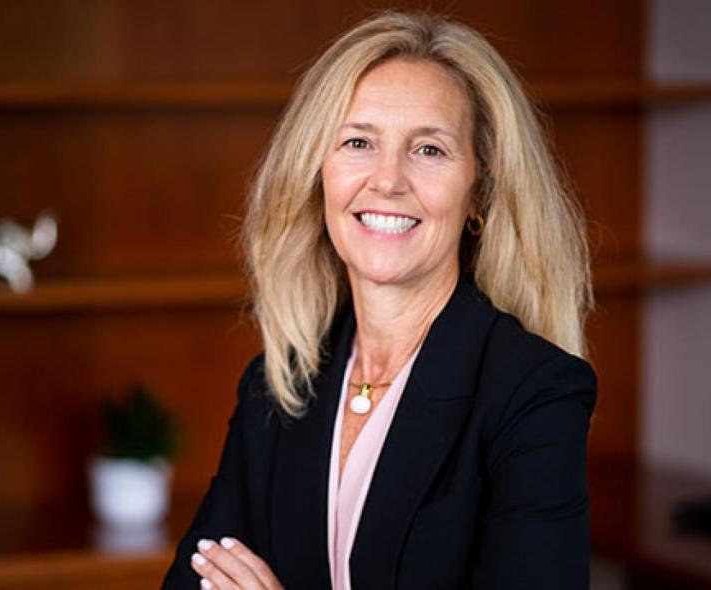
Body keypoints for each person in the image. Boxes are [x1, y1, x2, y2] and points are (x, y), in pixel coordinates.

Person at [162, 10, 596, 590]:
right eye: (359, 142)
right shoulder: (278, 388)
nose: (387, 180)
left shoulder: (533, 394)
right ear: (319, 175)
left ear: (479, 191)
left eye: (429, 150)